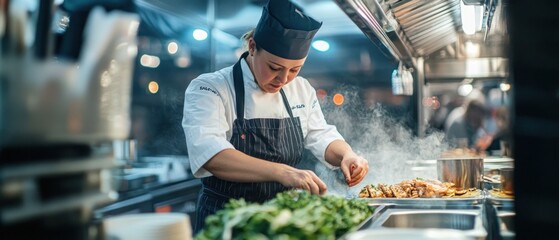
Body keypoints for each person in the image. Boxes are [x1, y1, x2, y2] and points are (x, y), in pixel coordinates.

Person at [181, 0, 369, 233]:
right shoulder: (211, 87)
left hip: (281, 221)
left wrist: (347, 155)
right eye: (274, 67)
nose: (284, 79)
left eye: (295, 69)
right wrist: (284, 172)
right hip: (226, 221)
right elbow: (211, 154)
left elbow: (321, 135)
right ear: (252, 47)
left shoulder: (301, 88)